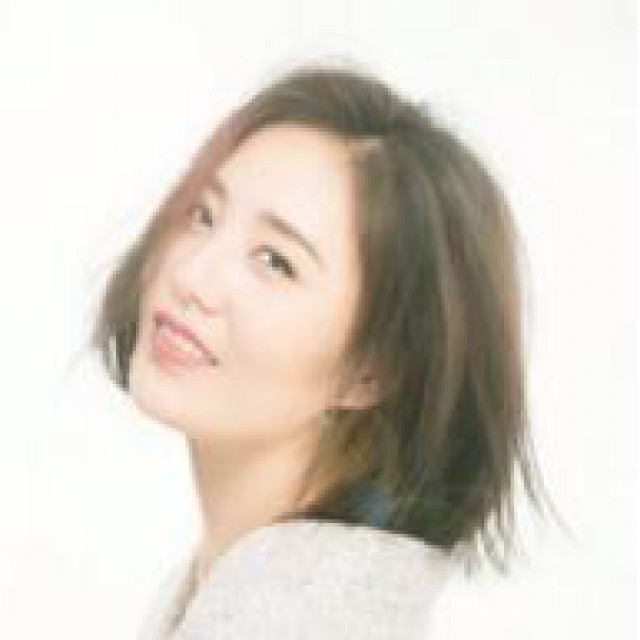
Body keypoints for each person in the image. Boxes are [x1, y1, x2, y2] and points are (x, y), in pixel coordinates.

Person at [90, 61, 557, 639]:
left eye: (275, 262)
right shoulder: (251, 589)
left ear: (372, 369)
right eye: (203, 215)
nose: (191, 275)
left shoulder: (298, 620)